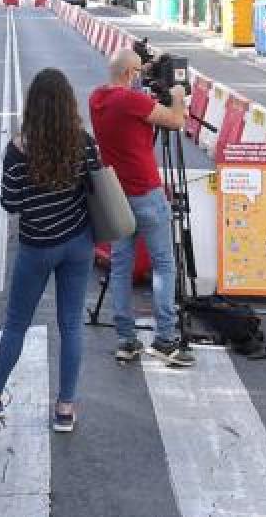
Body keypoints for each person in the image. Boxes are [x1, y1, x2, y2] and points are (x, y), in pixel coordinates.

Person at [0, 69, 99, 432]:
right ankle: (65, 408)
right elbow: (96, 186)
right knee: (71, 326)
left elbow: (10, 203)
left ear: (33, 105)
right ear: (68, 104)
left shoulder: (18, 150)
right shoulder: (83, 141)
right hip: (78, 243)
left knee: (17, 324)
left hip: (37, 247)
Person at [89, 48, 194, 367]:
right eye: (137, 73)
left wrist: (142, 69)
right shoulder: (132, 102)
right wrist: (176, 94)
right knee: (164, 265)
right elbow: (176, 121)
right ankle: (165, 338)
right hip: (146, 194)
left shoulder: (98, 98)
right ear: (130, 75)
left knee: (120, 266)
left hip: (117, 198)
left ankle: (126, 339)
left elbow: (128, 90)